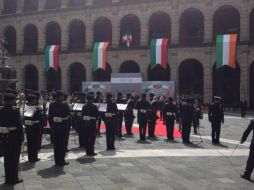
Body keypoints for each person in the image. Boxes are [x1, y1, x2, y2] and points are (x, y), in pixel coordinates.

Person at [0, 93, 24, 185]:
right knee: (14, 159)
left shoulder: (1, 110)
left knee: (7, 159)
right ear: (10, 100)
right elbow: (19, 125)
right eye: (14, 100)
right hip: (14, 137)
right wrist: (21, 137)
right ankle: (14, 179)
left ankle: (8, 179)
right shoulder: (15, 111)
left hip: (4, 136)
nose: (15, 101)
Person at [48, 91, 70, 166]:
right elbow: (67, 114)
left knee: (56, 144)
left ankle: (57, 160)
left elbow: (50, 116)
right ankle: (61, 160)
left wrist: (52, 126)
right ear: (60, 97)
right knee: (62, 144)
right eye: (62, 96)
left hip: (55, 125)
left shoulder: (51, 104)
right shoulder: (64, 105)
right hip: (63, 126)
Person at [24, 94, 44, 162]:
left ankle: (30, 157)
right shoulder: (36, 109)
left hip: (28, 127)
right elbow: (40, 118)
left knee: (29, 143)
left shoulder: (25, 107)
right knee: (35, 143)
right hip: (35, 127)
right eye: (35, 100)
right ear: (33, 101)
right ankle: (34, 157)